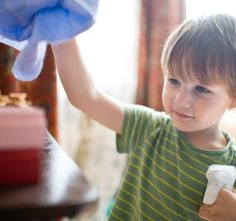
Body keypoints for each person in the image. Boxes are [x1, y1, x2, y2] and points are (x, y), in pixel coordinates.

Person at [52, 14, 236, 220]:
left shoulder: (232, 166)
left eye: (201, 89)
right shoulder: (150, 128)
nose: (180, 101)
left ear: (232, 98)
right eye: (174, 81)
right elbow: (87, 97)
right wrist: (60, 36)